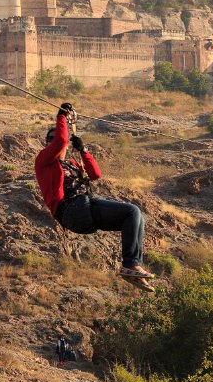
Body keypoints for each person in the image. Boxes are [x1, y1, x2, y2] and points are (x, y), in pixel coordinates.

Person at [34, 103, 155, 292]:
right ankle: (130, 264)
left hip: (83, 210)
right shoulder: (43, 161)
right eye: (50, 139)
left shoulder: (73, 164)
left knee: (134, 215)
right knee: (131, 211)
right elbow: (60, 141)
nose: (54, 142)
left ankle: (131, 266)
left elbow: (96, 174)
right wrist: (62, 118)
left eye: (55, 138)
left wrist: (83, 151)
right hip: (72, 210)